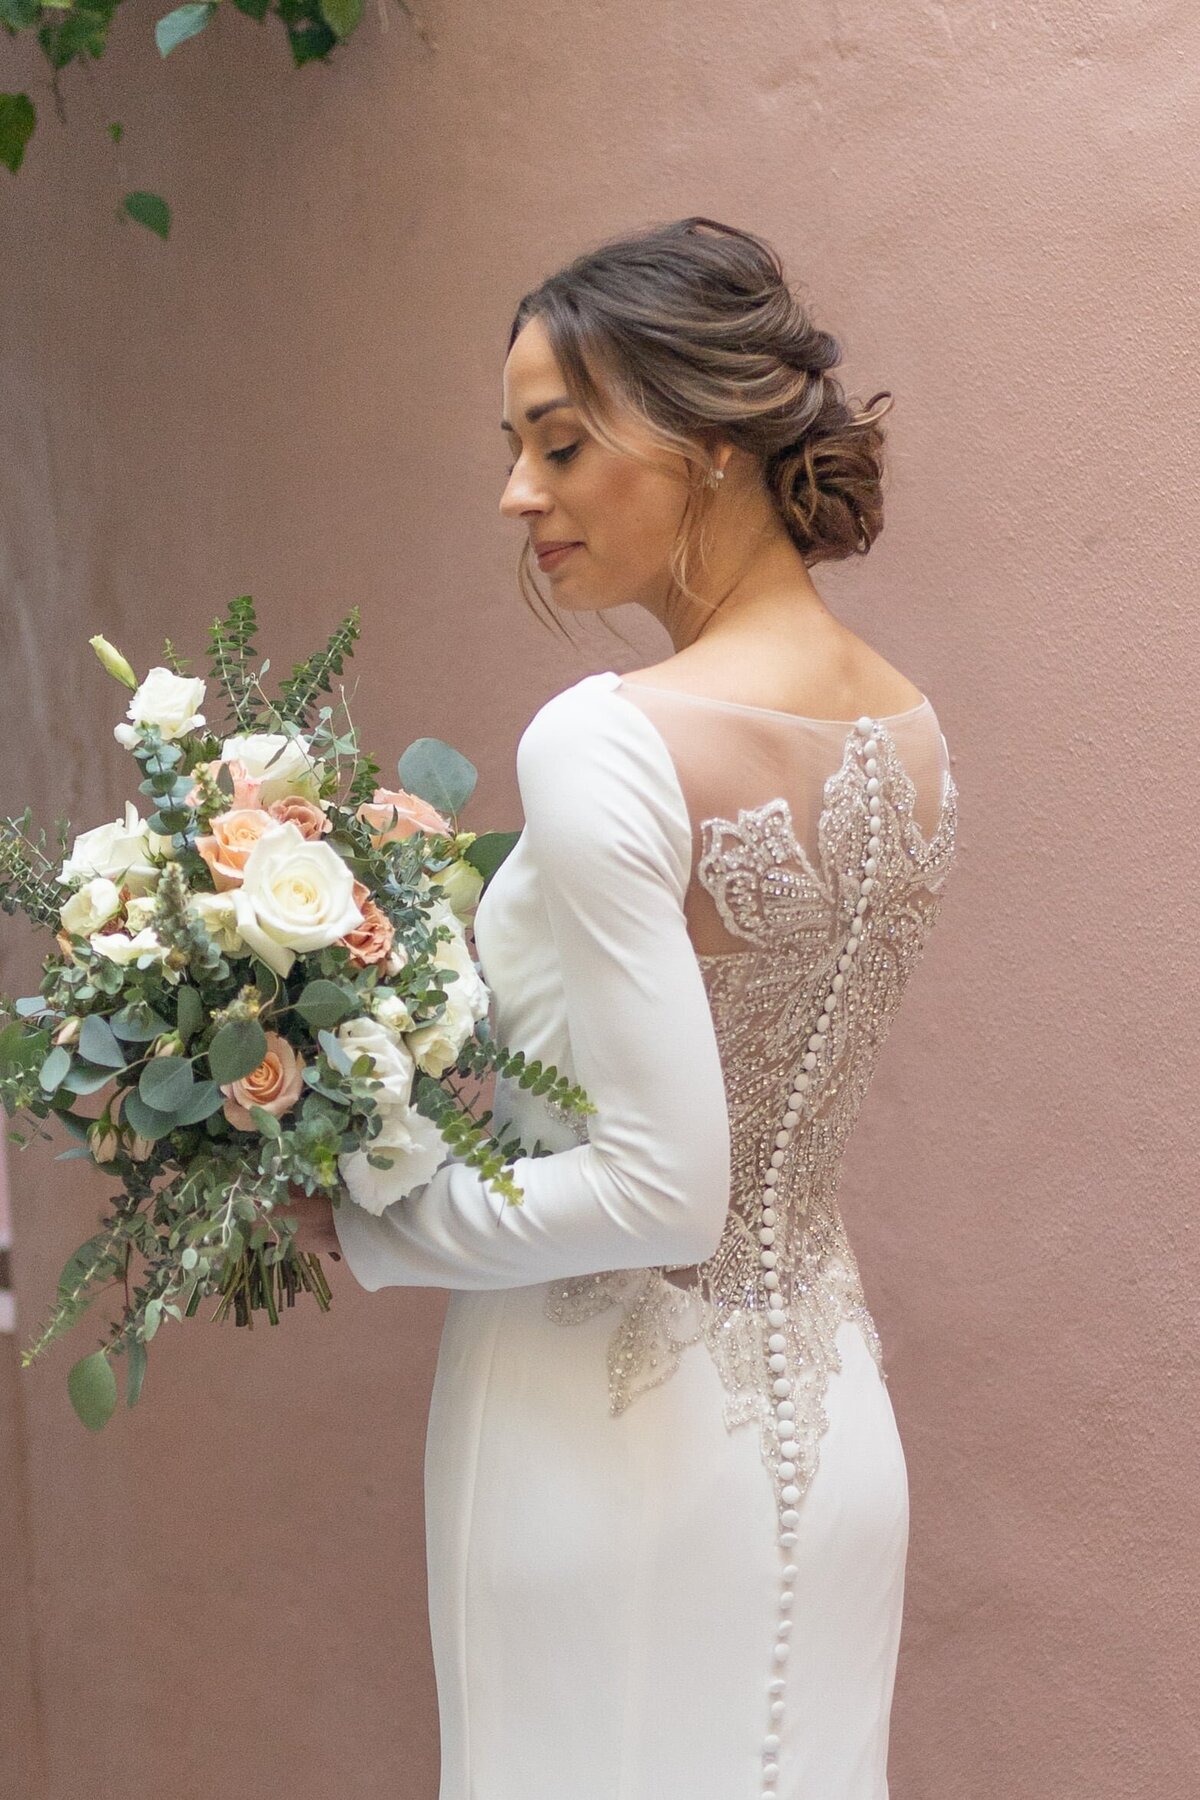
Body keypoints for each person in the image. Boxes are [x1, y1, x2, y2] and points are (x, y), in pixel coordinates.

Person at [277, 216, 959, 1799]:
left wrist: (370, 1220)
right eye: (516, 447)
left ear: (707, 442)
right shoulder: (911, 728)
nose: (520, 496)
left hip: (597, 1432)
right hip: (830, 1435)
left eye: (561, 444)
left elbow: (663, 1191)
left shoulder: (603, 739)